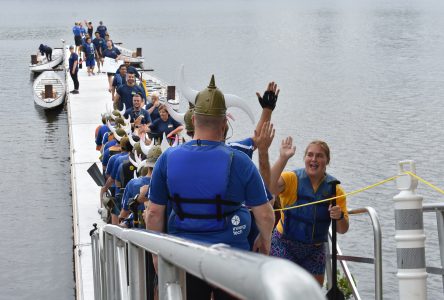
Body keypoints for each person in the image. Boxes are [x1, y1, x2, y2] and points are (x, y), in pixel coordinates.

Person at [146, 75, 275, 300]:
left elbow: (154, 213)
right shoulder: (240, 161)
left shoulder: (166, 159)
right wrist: (264, 243)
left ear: (194, 120)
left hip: (184, 256)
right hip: (232, 258)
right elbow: (265, 216)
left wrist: (156, 256)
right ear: (225, 123)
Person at [269, 139, 349, 285]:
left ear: (327, 161)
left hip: (315, 249)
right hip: (285, 244)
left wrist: (340, 216)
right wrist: (283, 158)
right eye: (310, 155)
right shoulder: (291, 178)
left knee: (312, 294)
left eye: (319, 156)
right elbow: (269, 187)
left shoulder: (335, 190)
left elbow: (343, 229)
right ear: (304, 158)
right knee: (285, 290)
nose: (314, 159)